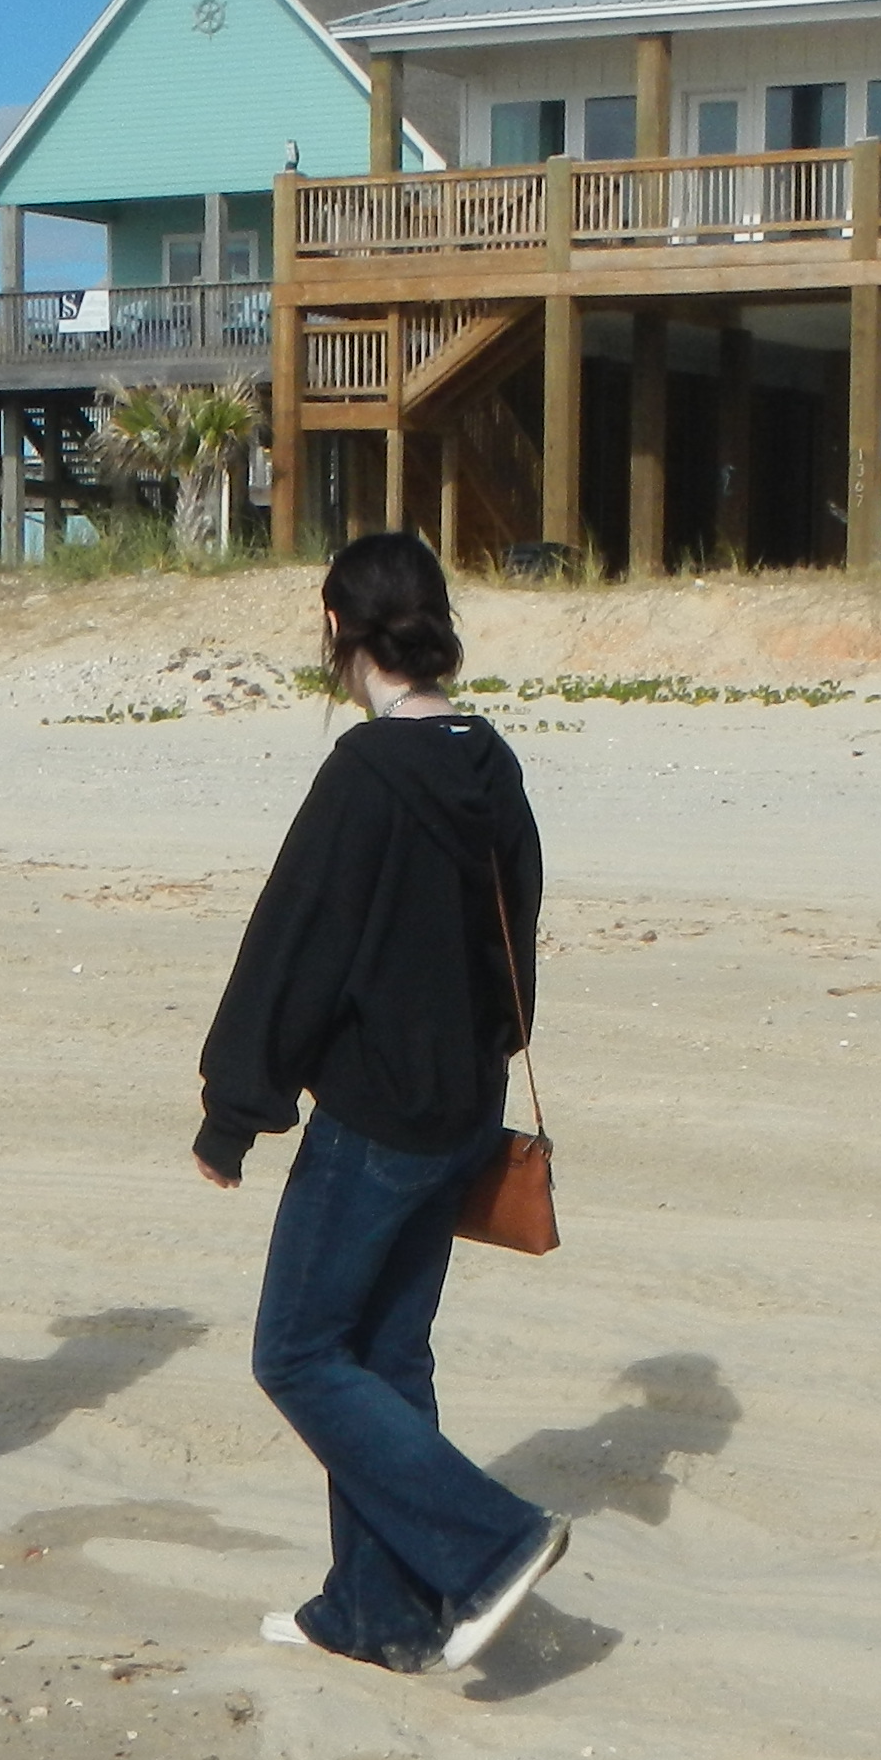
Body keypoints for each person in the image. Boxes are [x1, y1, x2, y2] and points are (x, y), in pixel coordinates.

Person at [192, 530, 569, 1674]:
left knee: (299, 1353)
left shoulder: (367, 773)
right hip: (464, 1101)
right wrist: (493, 1049)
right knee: (387, 1357)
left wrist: (234, 1108)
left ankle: (491, 1544)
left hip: (383, 1116)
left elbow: (296, 947)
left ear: (339, 635)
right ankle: (376, 1613)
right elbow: (522, 926)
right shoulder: (486, 758)